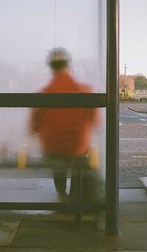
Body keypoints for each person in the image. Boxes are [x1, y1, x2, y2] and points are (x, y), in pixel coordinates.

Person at [29, 47, 100, 202]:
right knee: (80, 154)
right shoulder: (84, 90)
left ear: (51, 67)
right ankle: (76, 196)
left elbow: (33, 128)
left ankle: (61, 194)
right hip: (78, 147)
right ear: (68, 65)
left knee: (56, 156)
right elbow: (95, 121)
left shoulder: (42, 94)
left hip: (52, 148)